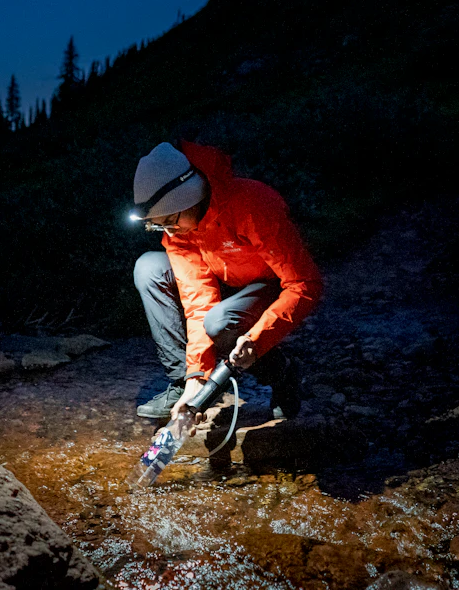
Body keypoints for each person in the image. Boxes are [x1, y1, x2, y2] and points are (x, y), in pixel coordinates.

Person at [130, 141, 321, 423]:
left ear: (189, 197)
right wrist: (197, 375)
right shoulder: (180, 231)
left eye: (170, 220)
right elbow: (197, 300)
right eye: (160, 225)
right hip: (223, 280)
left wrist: (257, 340)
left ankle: (283, 374)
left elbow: (304, 283)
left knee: (219, 321)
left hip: (269, 285)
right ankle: (183, 384)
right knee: (148, 267)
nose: (169, 231)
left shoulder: (252, 205)